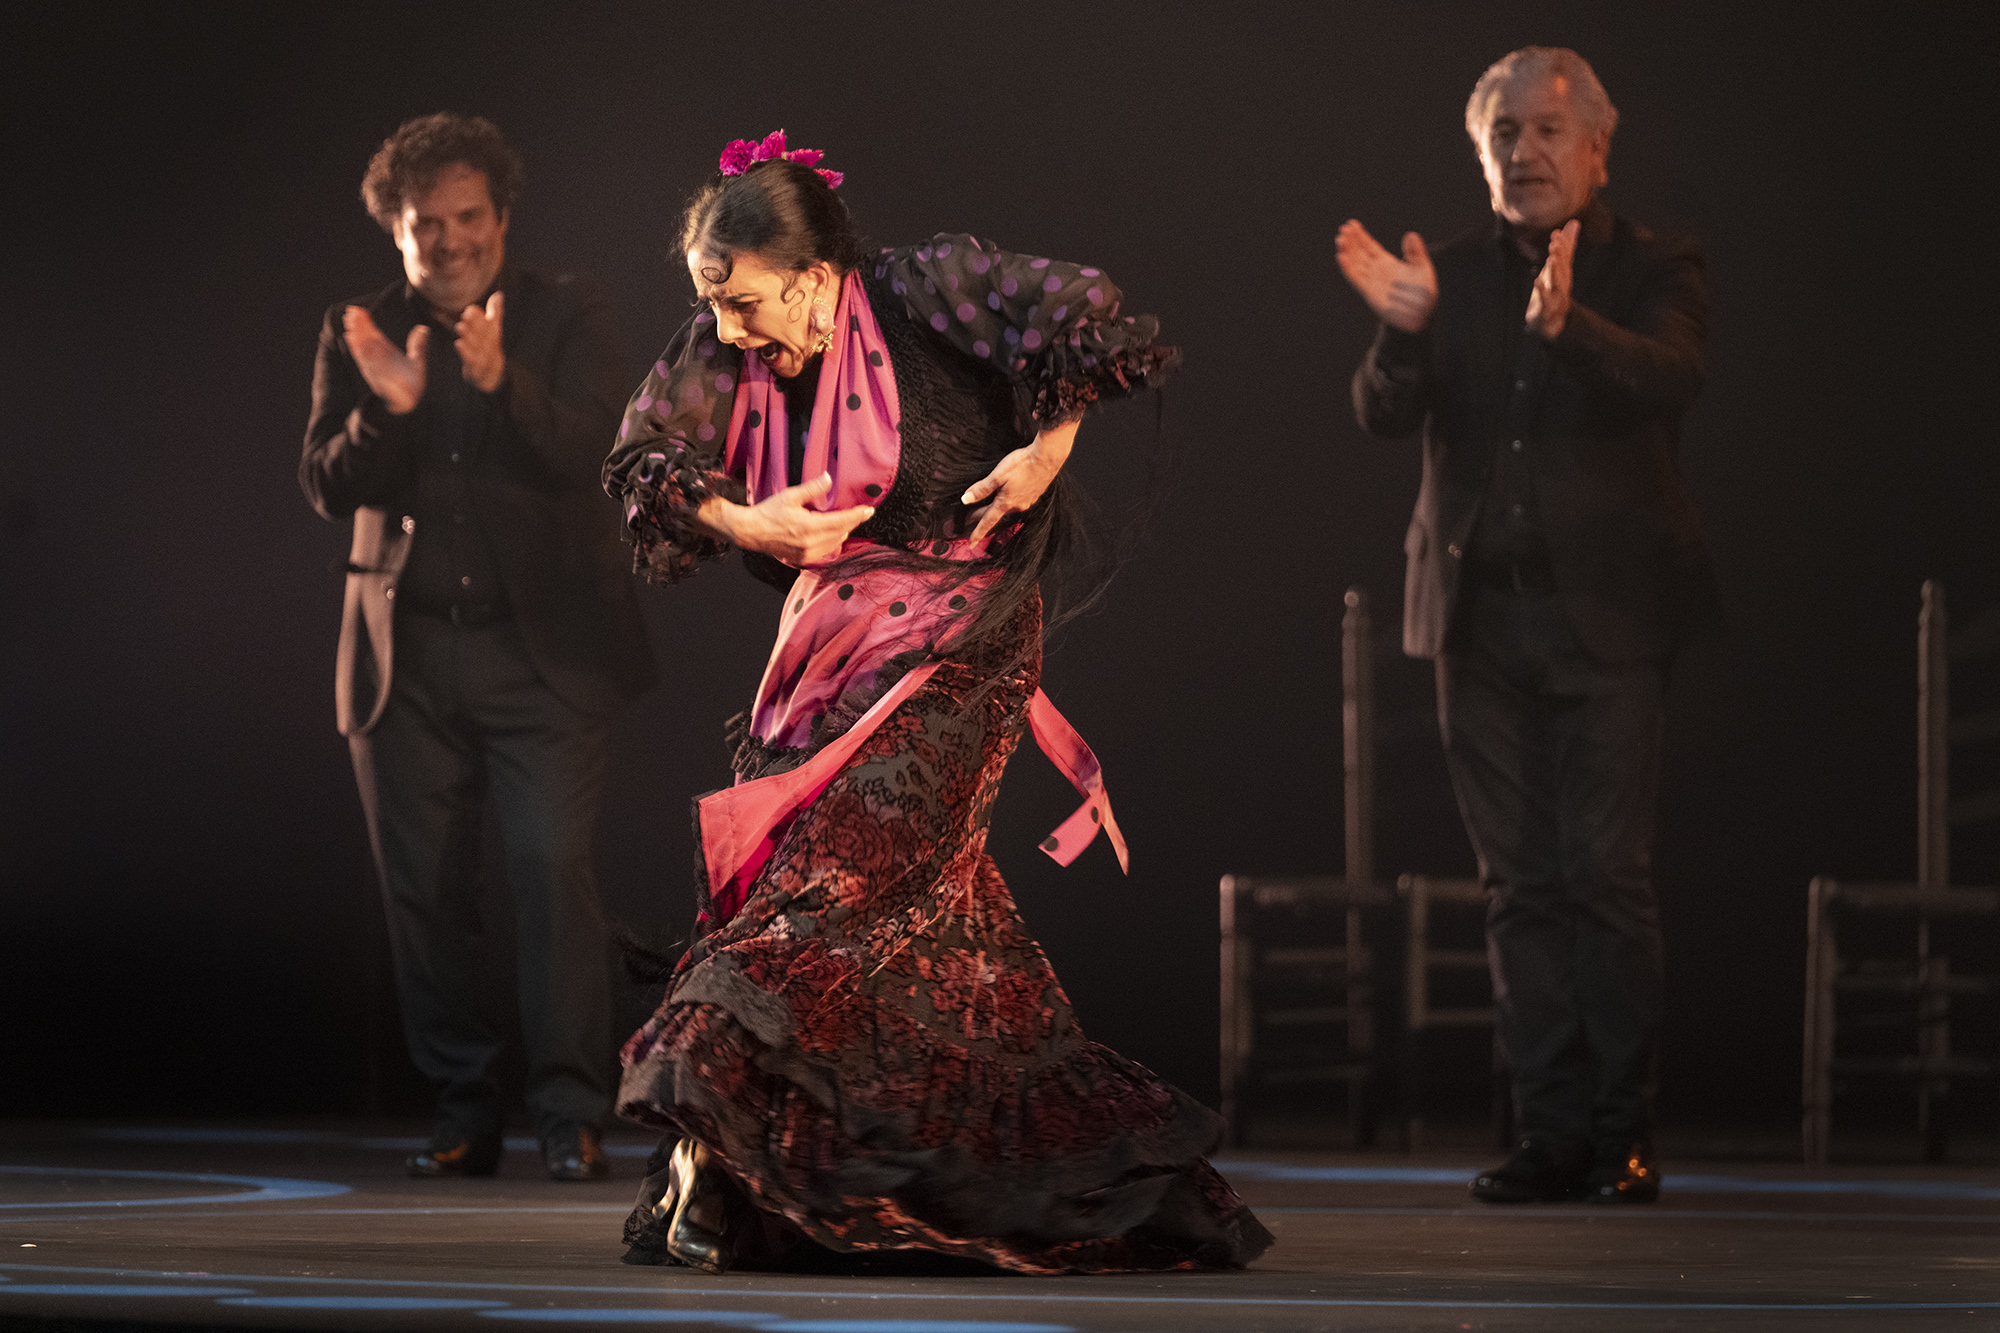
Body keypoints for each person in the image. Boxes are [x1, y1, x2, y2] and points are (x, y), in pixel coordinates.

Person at [601, 131, 1271, 1274]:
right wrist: (747, 522)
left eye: (746, 303)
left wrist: (1046, 453)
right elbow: (644, 456)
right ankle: (746, 1162)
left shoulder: (923, 290)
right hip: (829, 657)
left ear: (813, 279)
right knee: (898, 932)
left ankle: (712, 1145)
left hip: (965, 645)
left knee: (840, 883)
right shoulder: (728, 350)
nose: (725, 328)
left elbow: (1079, 315)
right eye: (712, 304)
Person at [1338, 49, 1717, 1204]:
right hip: (1476, 624)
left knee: (1604, 879)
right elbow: (1376, 414)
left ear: (1597, 148)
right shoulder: (1442, 274)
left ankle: (1621, 1134)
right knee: (1516, 887)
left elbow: (1673, 379)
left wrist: (1569, 330)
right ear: (1480, 150)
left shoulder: (1653, 263)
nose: (1525, 151)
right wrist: (1402, 330)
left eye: (1549, 131)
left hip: (1606, 620)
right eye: (1504, 132)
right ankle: (1549, 1134)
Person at [300, 113, 655, 1181]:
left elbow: (603, 453)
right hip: (405, 660)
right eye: (424, 226)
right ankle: (462, 1107)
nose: (447, 241)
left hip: (542, 657)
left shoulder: (564, 311)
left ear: (500, 219)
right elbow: (326, 483)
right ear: (395, 232)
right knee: (425, 890)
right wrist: (390, 413)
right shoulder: (359, 326)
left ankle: (569, 1112)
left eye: (465, 219)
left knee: (551, 869)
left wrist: (506, 386)